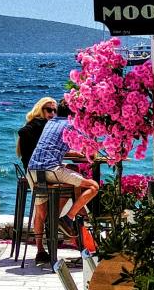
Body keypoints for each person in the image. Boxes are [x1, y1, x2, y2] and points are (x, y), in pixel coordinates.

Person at [28, 99, 99, 266]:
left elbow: (58, 147)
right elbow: (91, 153)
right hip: (52, 170)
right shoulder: (71, 124)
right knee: (93, 186)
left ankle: (42, 249)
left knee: (41, 212)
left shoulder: (51, 123)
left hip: (32, 171)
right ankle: (68, 218)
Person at [16, 97, 56, 171]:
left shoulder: (35, 123)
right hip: (38, 171)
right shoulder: (39, 123)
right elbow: (22, 131)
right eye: (49, 110)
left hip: (33, 170)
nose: (53, 113)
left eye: (55, 110)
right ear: (41, 110)